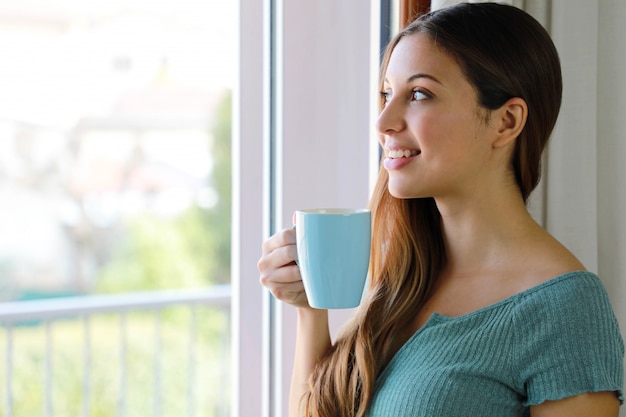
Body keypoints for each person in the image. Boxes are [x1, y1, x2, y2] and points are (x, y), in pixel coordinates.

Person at [257, 3, 624, 416]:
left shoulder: (566, 309)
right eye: (385, 94)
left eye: (418, 94)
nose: (383, 121)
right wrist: (311, 310)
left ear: (506, 122)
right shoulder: (401, 280)